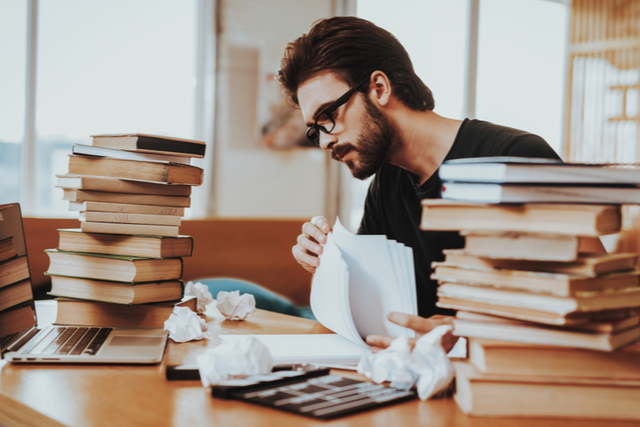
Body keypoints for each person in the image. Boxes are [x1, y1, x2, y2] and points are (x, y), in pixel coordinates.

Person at [277, 16, 564, 351]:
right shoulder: (387, 183)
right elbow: (380, 308)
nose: (325, 142)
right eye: (316, 131)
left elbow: (595, 299)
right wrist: (329, 268)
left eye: (329, 117)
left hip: (509, 381)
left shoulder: (515, 156)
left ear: (379, 88)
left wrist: (468, 329)